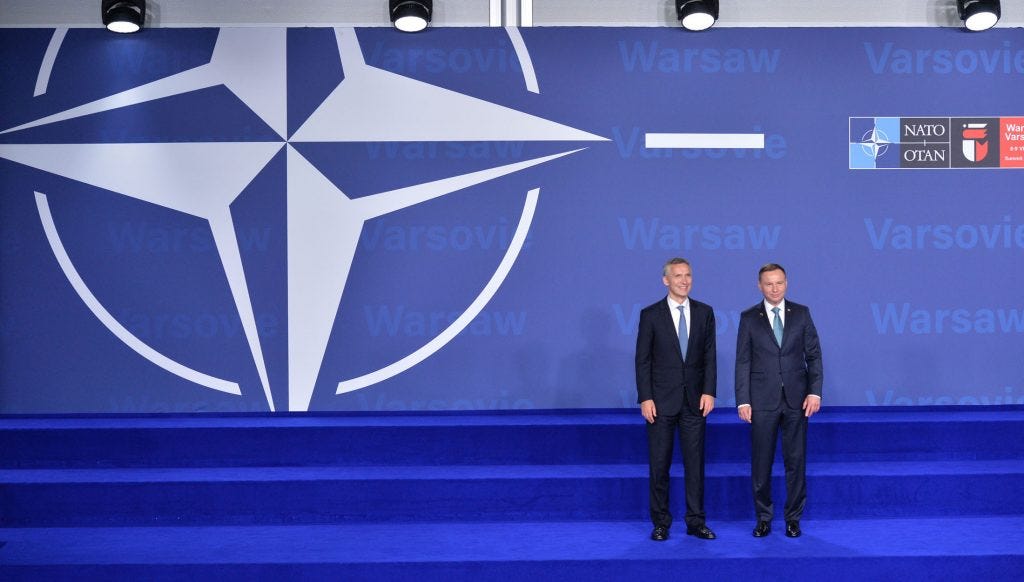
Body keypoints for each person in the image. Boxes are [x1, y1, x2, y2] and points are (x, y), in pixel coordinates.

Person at [734, 263, 822, 538]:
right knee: (761, 463)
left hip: (797, 400)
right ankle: (763, 518)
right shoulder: (749, 318)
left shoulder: (802, 314)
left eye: (779, 283)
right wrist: (743, 400)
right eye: (769, 284)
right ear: (759, 286)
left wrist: (814, 391)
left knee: (796, 462)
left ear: (787, 283)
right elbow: (743, 361)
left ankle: (793, 518)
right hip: (761, 401)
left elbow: (814, 356)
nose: (774, 288)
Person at [635, 257, 717, 541]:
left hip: (695, 401)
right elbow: (642, 361)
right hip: (660, 402)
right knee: (660, 465)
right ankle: (661, 523)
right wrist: (645, 397)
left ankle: (696, 522)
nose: (684, 280)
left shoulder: (705, 312)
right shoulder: (650, 315)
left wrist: (709, 391)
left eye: (688, 275)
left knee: (695, 465)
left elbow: (709, 357)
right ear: (665, 280)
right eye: (678, 276)